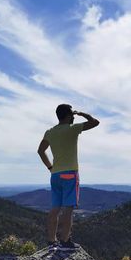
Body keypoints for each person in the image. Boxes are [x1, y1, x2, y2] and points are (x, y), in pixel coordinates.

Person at [37, 104, 99, 251]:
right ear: (67, 115)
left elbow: (40, 151)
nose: (73, 116)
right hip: (70, 174)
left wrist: (50, 167)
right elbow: (95, 122)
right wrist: (82, 113)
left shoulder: (50, 132)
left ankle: (51, 240)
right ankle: (65, 241)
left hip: (55, 174)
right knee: (68, 209)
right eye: (71, 114)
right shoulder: (73, 129)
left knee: (55, 209)